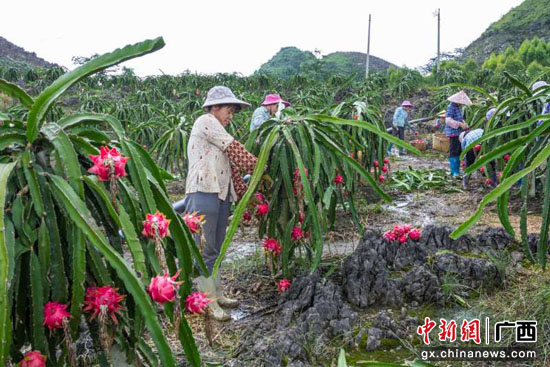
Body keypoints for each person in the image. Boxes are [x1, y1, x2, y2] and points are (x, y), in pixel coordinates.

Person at [183, 86, 258, 320]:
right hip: (203, 192)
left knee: (216, 248)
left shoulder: (217, 130)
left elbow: (232, 170)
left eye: (233, 112)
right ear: (214, 108)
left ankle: (217, 294)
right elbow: (235, 150)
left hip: (220, 193)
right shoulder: (205, 121)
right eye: (228, 110)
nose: (230, 116)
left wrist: (249, 194)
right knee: (205, 249)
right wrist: (260, 166)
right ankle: (208, 302)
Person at [460, 108, 497, 190]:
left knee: (468, 165)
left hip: (471, 148)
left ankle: (465, 184)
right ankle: (494, 183)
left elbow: (464, 151)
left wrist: (463, 160)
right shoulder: (479, 129)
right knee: (491, 163)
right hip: (485, 145)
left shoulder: (465, 138)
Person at [445, 90, 471, 177]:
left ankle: (457, 170)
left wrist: (465, 125)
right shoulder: (451, 107)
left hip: (459, 132)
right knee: (454, 151)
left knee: (459, 151)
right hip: (454, 133)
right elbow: (448, 120)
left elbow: (460, 118)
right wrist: (459, 124)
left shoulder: (457, 107)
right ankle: (454, 172)